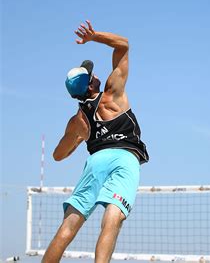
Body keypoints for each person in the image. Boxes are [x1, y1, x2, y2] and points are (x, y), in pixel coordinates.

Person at [42, 20, 149, 263]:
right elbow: (123, 45)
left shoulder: (77, 121)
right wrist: (94, 36)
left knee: (69, 225)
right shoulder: (113, 92)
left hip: (96, 161)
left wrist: (79, 140)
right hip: (124, 157)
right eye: (92, 74)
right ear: (91, 83)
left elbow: (58, 155)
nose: (96, 73)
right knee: (112, 219)